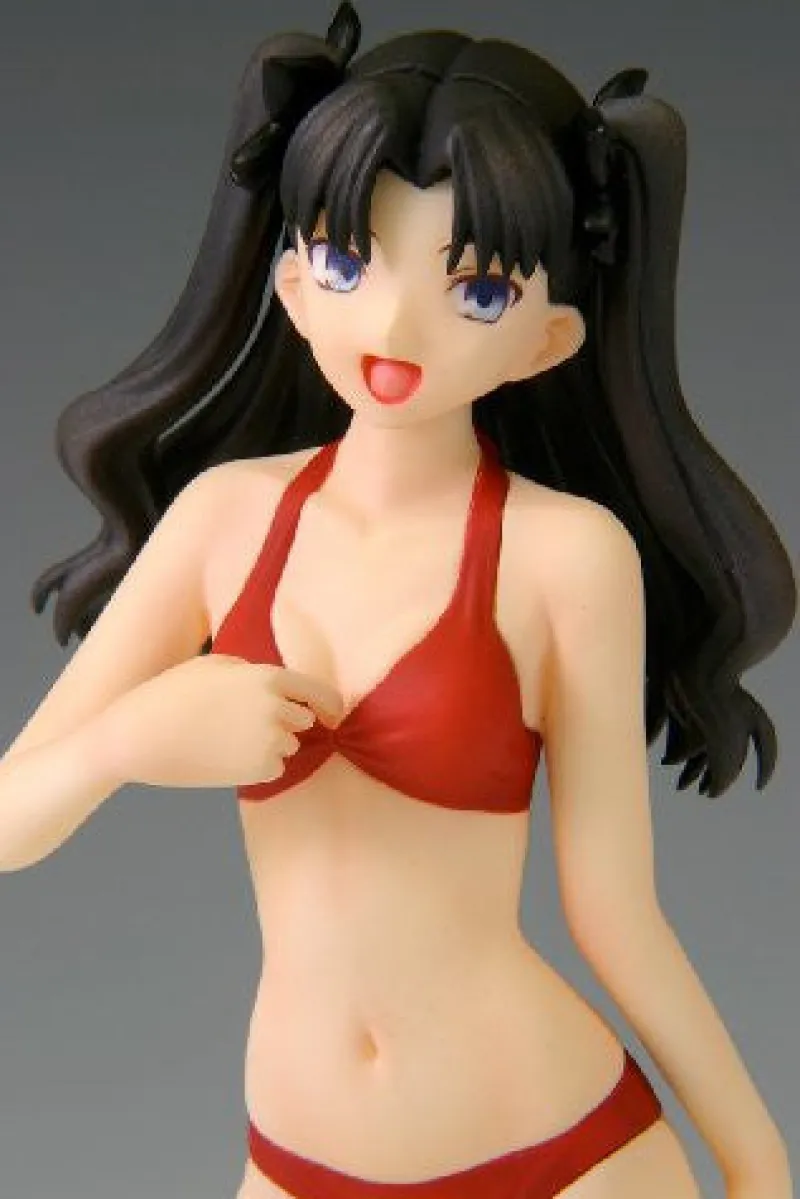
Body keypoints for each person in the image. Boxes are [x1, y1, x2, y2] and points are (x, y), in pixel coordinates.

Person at [0, 4, 794, 1197]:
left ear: (548, 338)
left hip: (559, 1151)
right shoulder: (224, 519)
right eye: (346, 260)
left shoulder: (564, 556)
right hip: (297, 1159)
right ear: (292, 281)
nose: (393, 323)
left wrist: (754, 1156)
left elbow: (615, 910)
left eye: (475, 289)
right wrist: (123, 739)